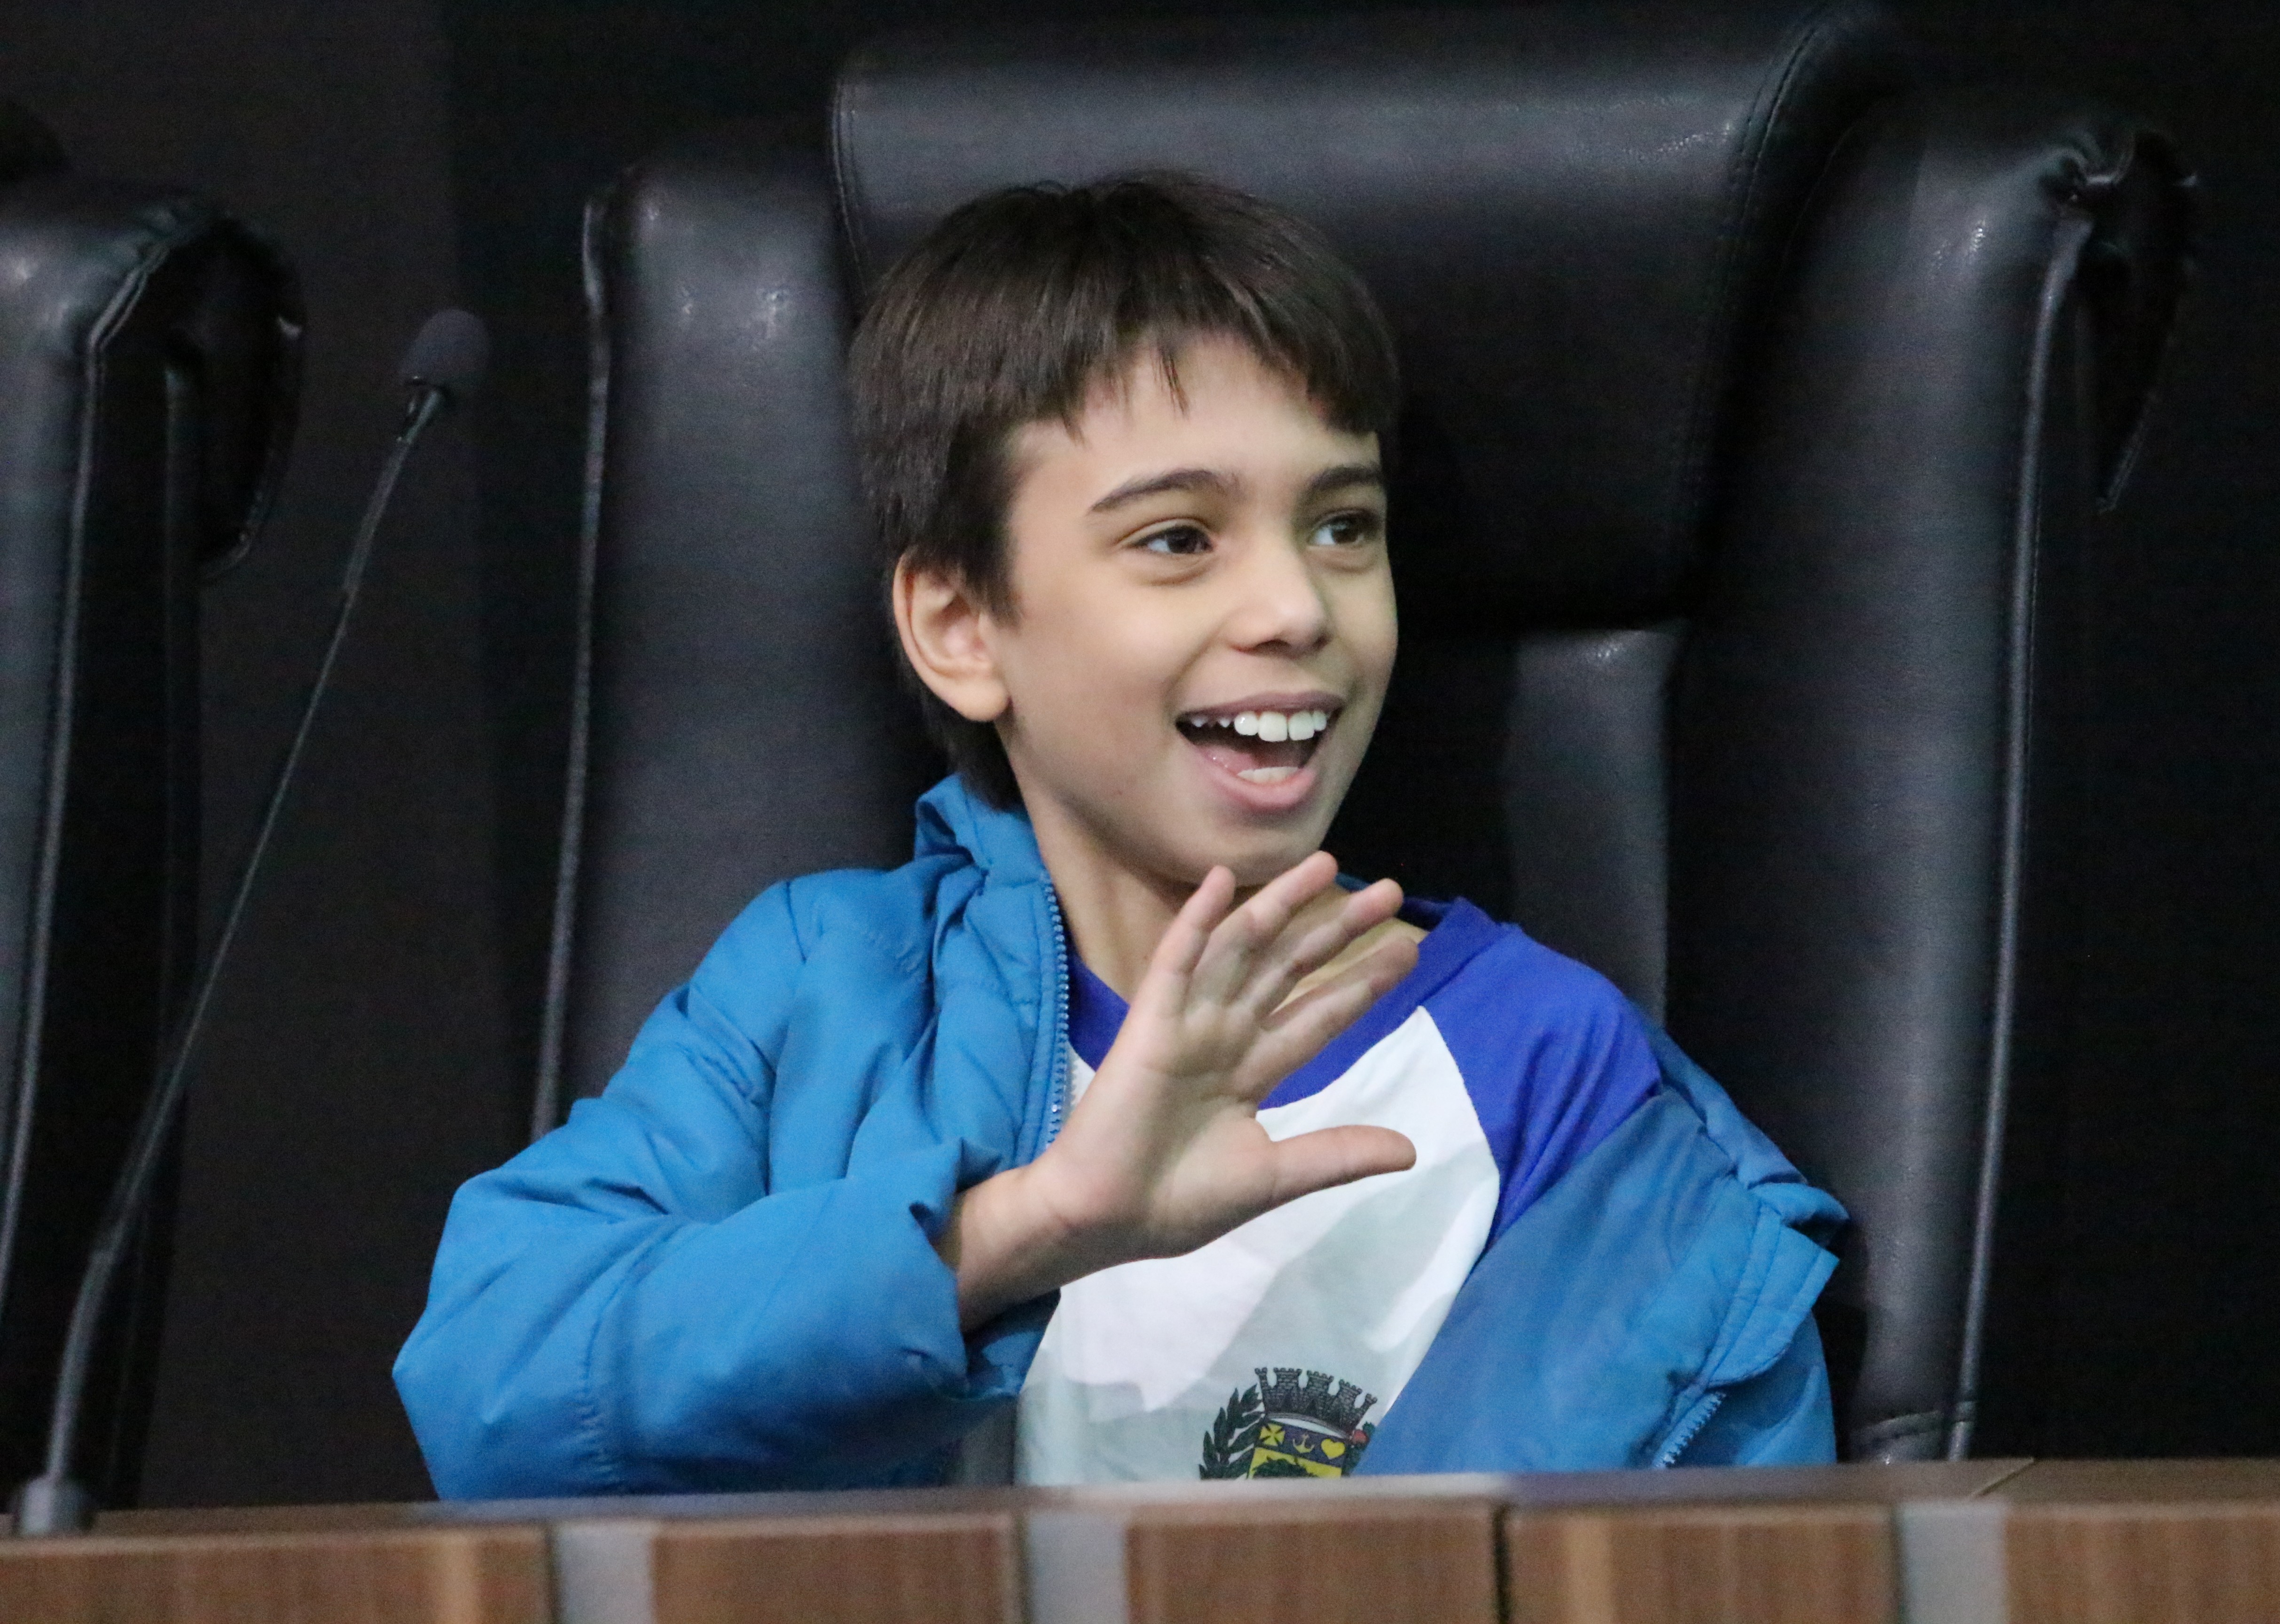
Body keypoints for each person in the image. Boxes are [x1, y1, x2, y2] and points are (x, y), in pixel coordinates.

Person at [394, 174, 1842, 1496]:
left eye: (1343, 527)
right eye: (1179, 540)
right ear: (963, 627)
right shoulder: (820, 993)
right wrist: (1022, 1231)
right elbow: (492, 1392)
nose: (1296, 607)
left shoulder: (1558, 1075)